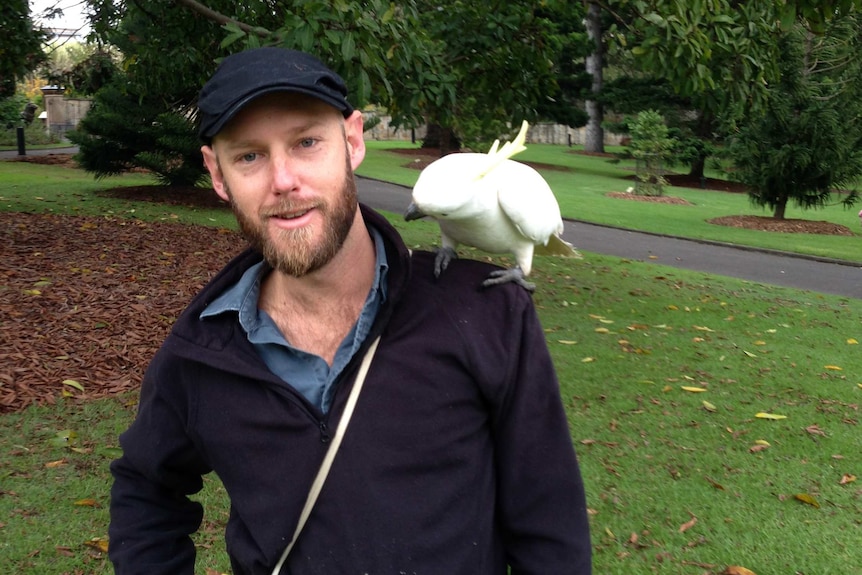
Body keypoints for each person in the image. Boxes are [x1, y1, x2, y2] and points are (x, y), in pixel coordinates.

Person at [108, 46, 592, 575]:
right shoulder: (201, 352)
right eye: (249, 156)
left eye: (308, 142)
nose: (284, 180)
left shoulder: (488, 314)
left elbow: (550, 525)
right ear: (217, 175)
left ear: (353, 140)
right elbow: (145, 490)